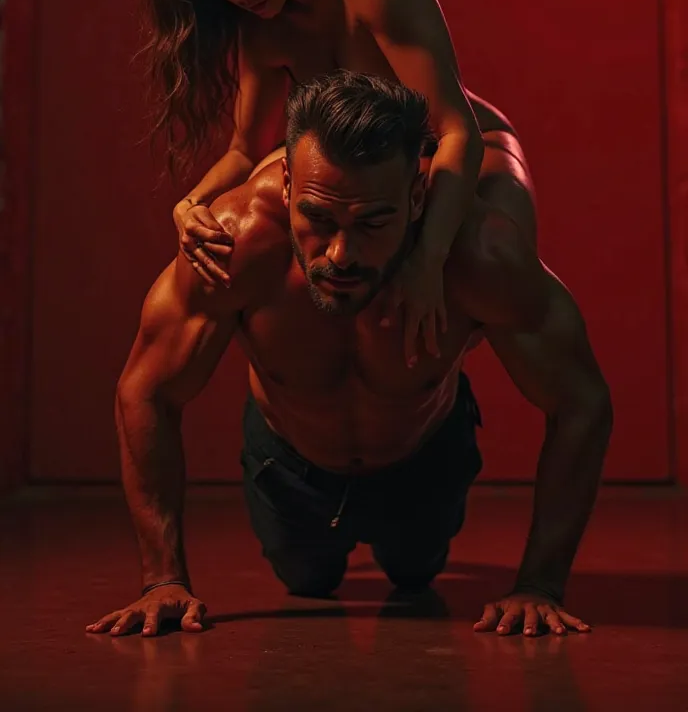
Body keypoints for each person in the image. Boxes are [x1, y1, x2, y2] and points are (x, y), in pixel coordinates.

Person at [87, 73, 612, 639]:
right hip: (288, 463)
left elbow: (582, 401)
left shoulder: (477, 254)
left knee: (416, 572)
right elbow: (146, 389)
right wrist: (161, 580)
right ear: (287, 186)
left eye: (372, 223)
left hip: (425, 455)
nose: (340, 253)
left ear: (416, 198)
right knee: (307, 579)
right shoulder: (235, 244)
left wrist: (540, 585)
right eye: (318, 218)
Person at [141, 0, 537, 364]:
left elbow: (453, 130)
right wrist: (189, 205)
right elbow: (245, 150)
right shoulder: (261, 27)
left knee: (474, 268)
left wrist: (427, 260)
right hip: (391, 171)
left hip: (472, 147)